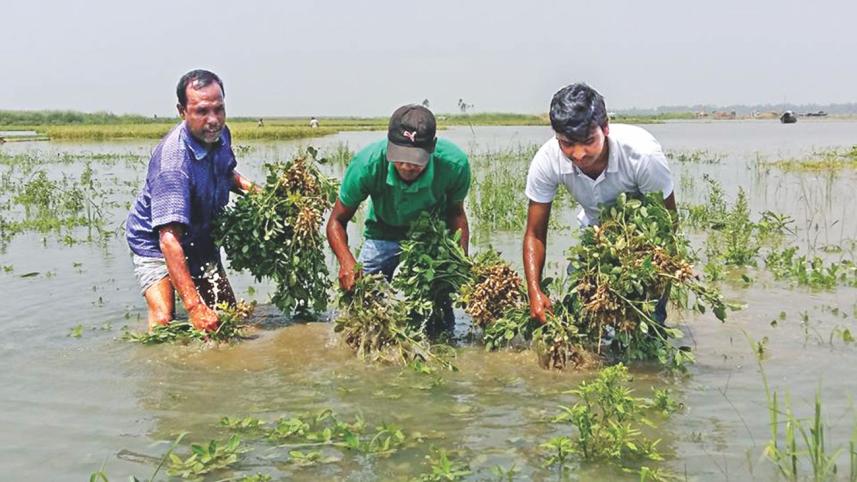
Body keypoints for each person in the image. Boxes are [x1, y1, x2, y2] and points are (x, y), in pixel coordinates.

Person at [523, 83, 675, 324]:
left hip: (643, 241)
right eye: (567, 144)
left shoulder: (643, 156)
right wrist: (534, 290)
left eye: (588, 141)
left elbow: (667, 225)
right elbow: (535, 234)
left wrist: (646, 268)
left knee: (648, 320)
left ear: (605, 128)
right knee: (583, 314)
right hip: (595, 235)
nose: (578, 154)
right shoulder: (547, 160)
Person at [126, 69, 258, 332]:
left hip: (200, 236)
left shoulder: (220, 135)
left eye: (219, 109)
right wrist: (195, 307)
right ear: (182, 111)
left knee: (226, 317)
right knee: (165, 322)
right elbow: (168, 240)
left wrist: (258, 192)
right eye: (202, 112)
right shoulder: (173, 165)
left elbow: (225, 172)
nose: (213, 120)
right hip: (156, 242)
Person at [326, 104, 471, 329]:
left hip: (430, 239)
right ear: (389, 145)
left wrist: (459, 263)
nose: (406, 166)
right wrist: (347, 263)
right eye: (399, 156)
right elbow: (336, 221)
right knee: (361, 309)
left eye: (415, 158)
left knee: (440, 316)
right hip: (382, 232)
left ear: (431, 147)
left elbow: (456, 215)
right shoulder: (367, 164)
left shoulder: (454, 165)